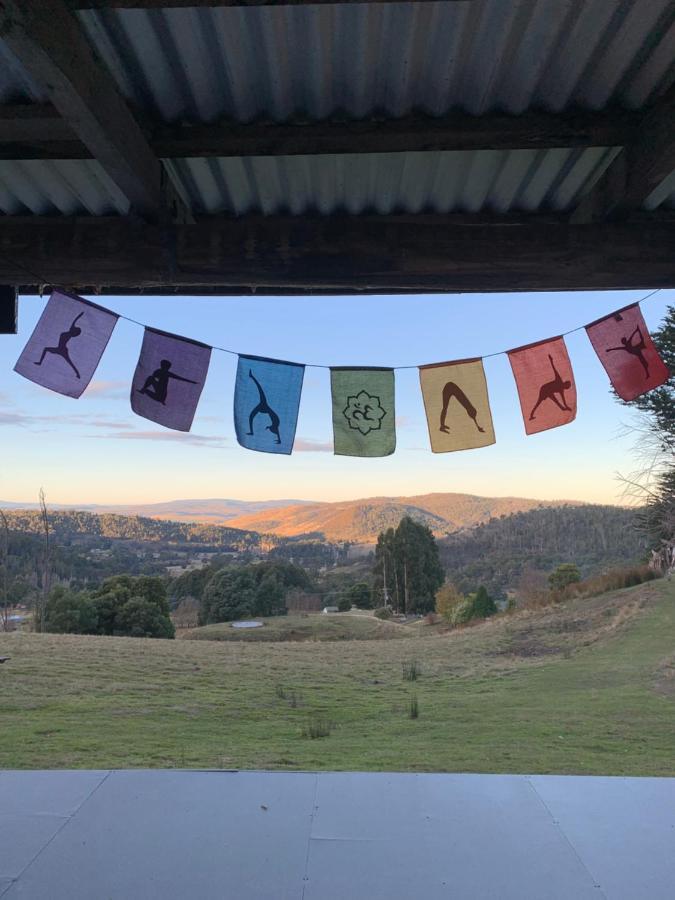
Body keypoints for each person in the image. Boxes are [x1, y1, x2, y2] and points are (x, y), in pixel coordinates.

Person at [35, 312, 84, 379]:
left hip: (62, 350)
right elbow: (74, 321)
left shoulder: (69, 335)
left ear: (74, 332)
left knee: (70, 362)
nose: (73, 327)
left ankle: (77, 373)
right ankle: (40, 362)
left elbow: (73, 324)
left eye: (75, 328)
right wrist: (79, 315)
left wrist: (79, 316)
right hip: (59, 348)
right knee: (46, 349)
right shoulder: (69, 332)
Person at [529, 355, 572, 420]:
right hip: (544, 389)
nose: (565, 387)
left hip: (549, 391)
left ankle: (562, 408)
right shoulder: (559, 380)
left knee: (554, 400)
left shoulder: (561, 390)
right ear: (565, 383)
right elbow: (554, 369)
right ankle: (531, 415)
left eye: (566, 387)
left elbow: (563, 400)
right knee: (539, 402)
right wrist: (551, 360)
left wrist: (567, 406)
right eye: (566, 385)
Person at [247, 370, 281, 444]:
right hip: (264, 406)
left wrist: (278, 438)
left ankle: (251, 432)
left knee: (251, 417)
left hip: (263, 407)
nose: (270, 428)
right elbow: (259, 388)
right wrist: (252, 377)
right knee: (251, 416)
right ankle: (251, 432)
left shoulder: (275, 423)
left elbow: (276, 430)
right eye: (271, 428)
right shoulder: (275, 421)